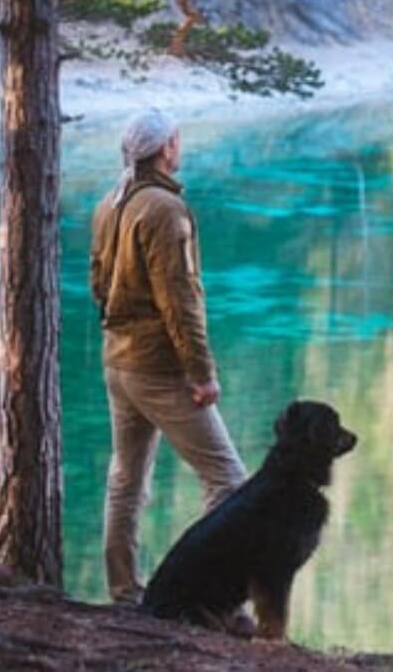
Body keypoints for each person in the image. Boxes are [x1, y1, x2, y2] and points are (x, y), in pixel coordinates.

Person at [90, 108, 247, 606]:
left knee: (126, 480)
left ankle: (124, 592)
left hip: (118, 361)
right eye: (177, 140)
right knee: (229, 482)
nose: (180, 146)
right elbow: (180, 302)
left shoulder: (109, 205)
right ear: (165, 149)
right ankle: (206, 598)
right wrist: (201, 373)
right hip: (159, 369)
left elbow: (98, 283)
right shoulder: (164, 211)